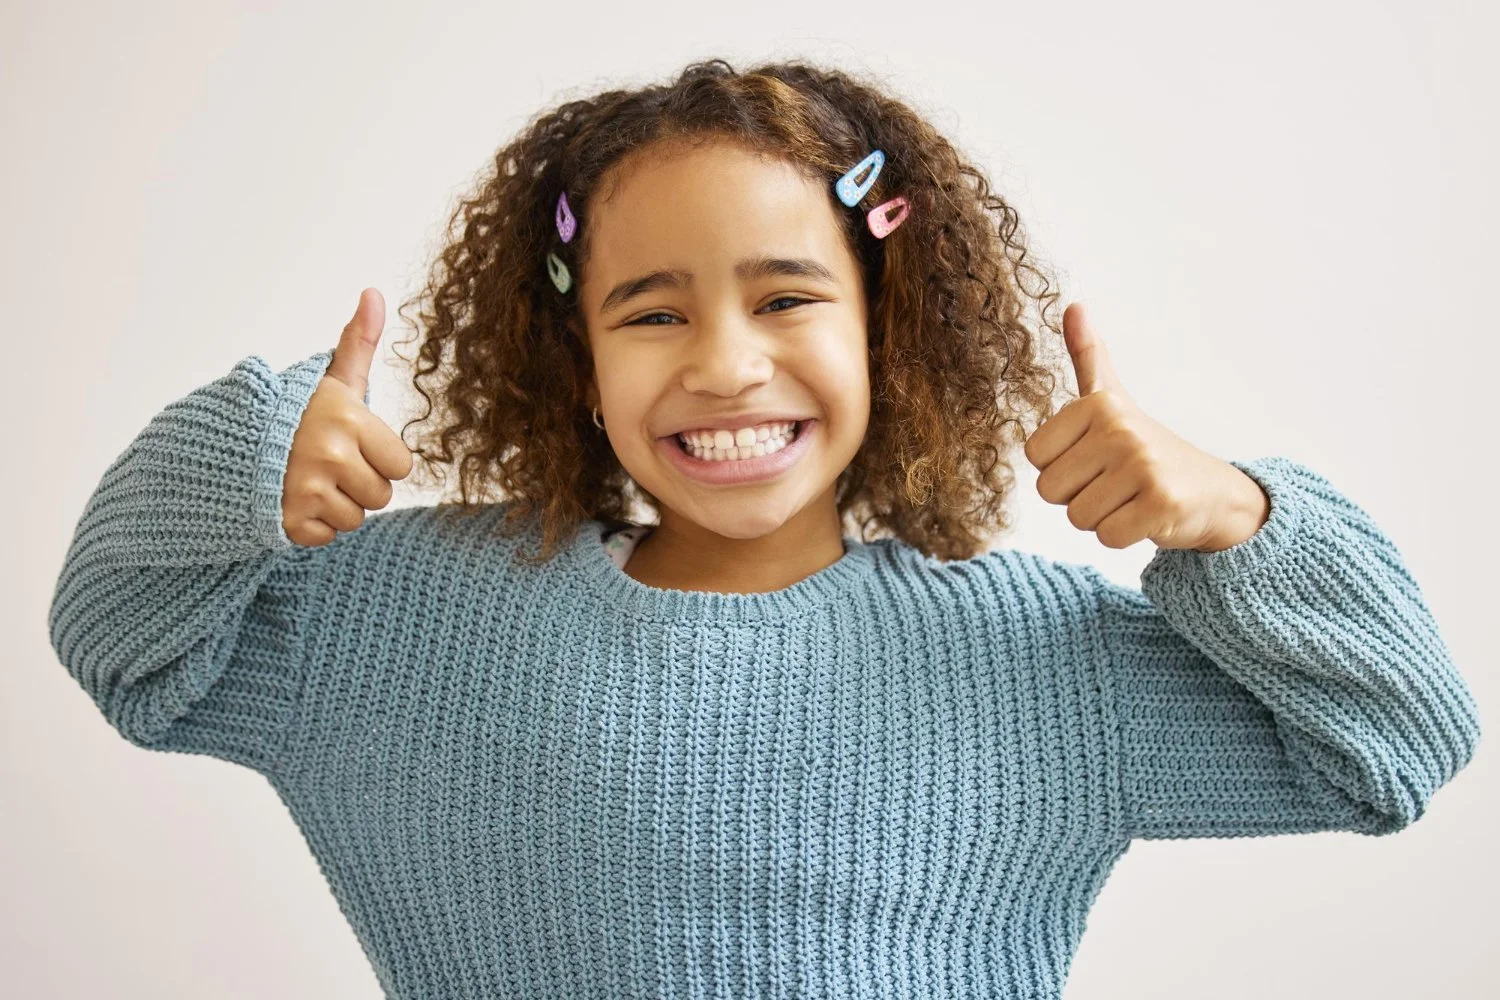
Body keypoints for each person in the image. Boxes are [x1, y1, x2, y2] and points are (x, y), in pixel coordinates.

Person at [46, 57, 1482, 1000]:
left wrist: (1242, 519)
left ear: (890, 332)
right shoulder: (400, 621)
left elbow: (1394, 750)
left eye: (788, 298)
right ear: (575, 365)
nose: (725, 362)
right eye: (651, 310)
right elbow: (122, 641)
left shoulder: (1047, 666)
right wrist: (241, 455)